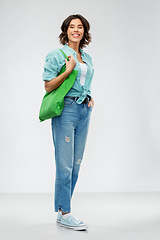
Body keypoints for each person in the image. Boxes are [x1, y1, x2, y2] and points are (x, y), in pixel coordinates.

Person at [42, 14, 94, 230]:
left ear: (84, 31)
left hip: (84, 110)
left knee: (76, 165)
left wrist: (89, 96)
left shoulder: (87, 57)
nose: (76, 30)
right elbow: (48, 86)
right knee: (64, 165)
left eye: (79, 27)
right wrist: (69, 69)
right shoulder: (57, 55)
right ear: (66, 30)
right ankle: (66, 213)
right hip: (66, 110)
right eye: (72, 26)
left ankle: (63, 211)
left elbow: (85, 82)